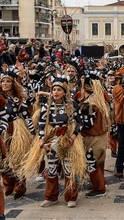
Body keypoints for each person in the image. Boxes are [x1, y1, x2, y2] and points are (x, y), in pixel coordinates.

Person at [35, 77, 85, 208]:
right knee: (51, 169)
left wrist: (71, 139)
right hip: (52, 141)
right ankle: (51, 197)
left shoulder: (71, 104)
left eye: (59, 90)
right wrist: (42, 142)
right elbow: (41, 125)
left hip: (67, 141)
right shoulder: (47, 105)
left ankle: (71, 197)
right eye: (53, 90)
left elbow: (80, 123)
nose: (55, 92)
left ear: (64, 91)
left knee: (69, 170)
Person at [0, 67, 35, 200]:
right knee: (3, 160)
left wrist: (32, 132)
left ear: (13, 83)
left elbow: (26, 116)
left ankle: (20, 187)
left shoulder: (18, 99)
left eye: (7, 81)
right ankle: (8, 185)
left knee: (17, 159)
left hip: (17, 130)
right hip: (2, 130)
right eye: (3, 81)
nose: (4, 84)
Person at [75, 71, 111, 199]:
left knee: (92, 163)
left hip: (92, 136)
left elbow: (87, 123)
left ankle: (99, 188)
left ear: (85, 89)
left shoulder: (89, 104)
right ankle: (101, 183)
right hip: (101, 136)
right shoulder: (101, 98)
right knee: (99, 161)